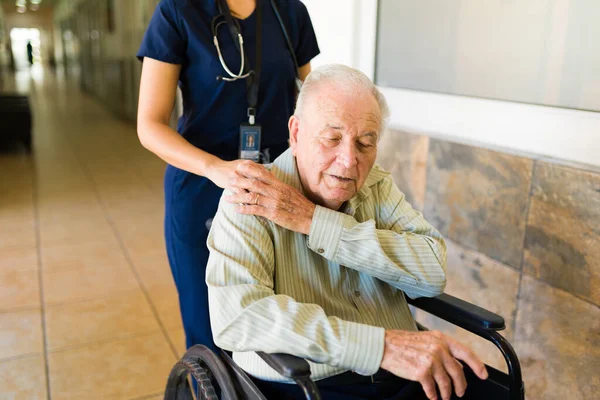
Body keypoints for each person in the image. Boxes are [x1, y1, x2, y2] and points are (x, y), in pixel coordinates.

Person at [206, 64, 489, 400]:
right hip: (312, 383)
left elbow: (431, 271)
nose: (348, 160)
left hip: (405, 373)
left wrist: (313, 220)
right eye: (332, 138)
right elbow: (238, 317)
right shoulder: (250, 195)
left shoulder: (375, 186)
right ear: (296, 134)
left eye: (365, 143)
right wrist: (378, 347)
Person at [136, 0, 320, 354]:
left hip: (276, 189)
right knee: (211, 330)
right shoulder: (178, 11)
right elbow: (150, 125)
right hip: (202, 186)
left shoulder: (289, 11)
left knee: (280, 325)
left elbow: (312, 102)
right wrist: (214, 167)